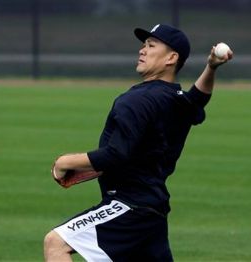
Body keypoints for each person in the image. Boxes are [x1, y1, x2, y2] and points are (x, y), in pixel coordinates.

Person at [44, 24, 233, 262]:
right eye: (143, 45)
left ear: (171, 58)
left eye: (151, 46)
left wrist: (65, 162)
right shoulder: (175, 99)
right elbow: (198, 99)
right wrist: (211, 67)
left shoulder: (136, 100)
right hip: (152, 213)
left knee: (56, 243)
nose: (142, 50)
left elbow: (115, 154)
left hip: (128, 206)